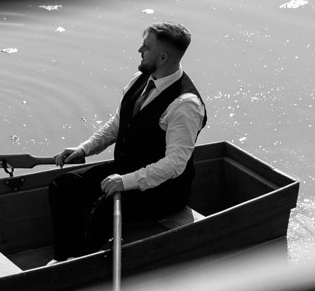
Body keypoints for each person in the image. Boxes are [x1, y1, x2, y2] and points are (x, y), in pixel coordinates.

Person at [47, 23, 208, 260]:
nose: (139, 50)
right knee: (61, 187)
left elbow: (175, 164)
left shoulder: (185, 105)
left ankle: (84, 266)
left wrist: (125, 182)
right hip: (125, 170)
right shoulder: (139, 80)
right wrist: (84, 149)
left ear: (162, 57)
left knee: (104, 208)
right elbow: (117, 124)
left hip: (163, 191)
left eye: (146, 46)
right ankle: (67, 258)